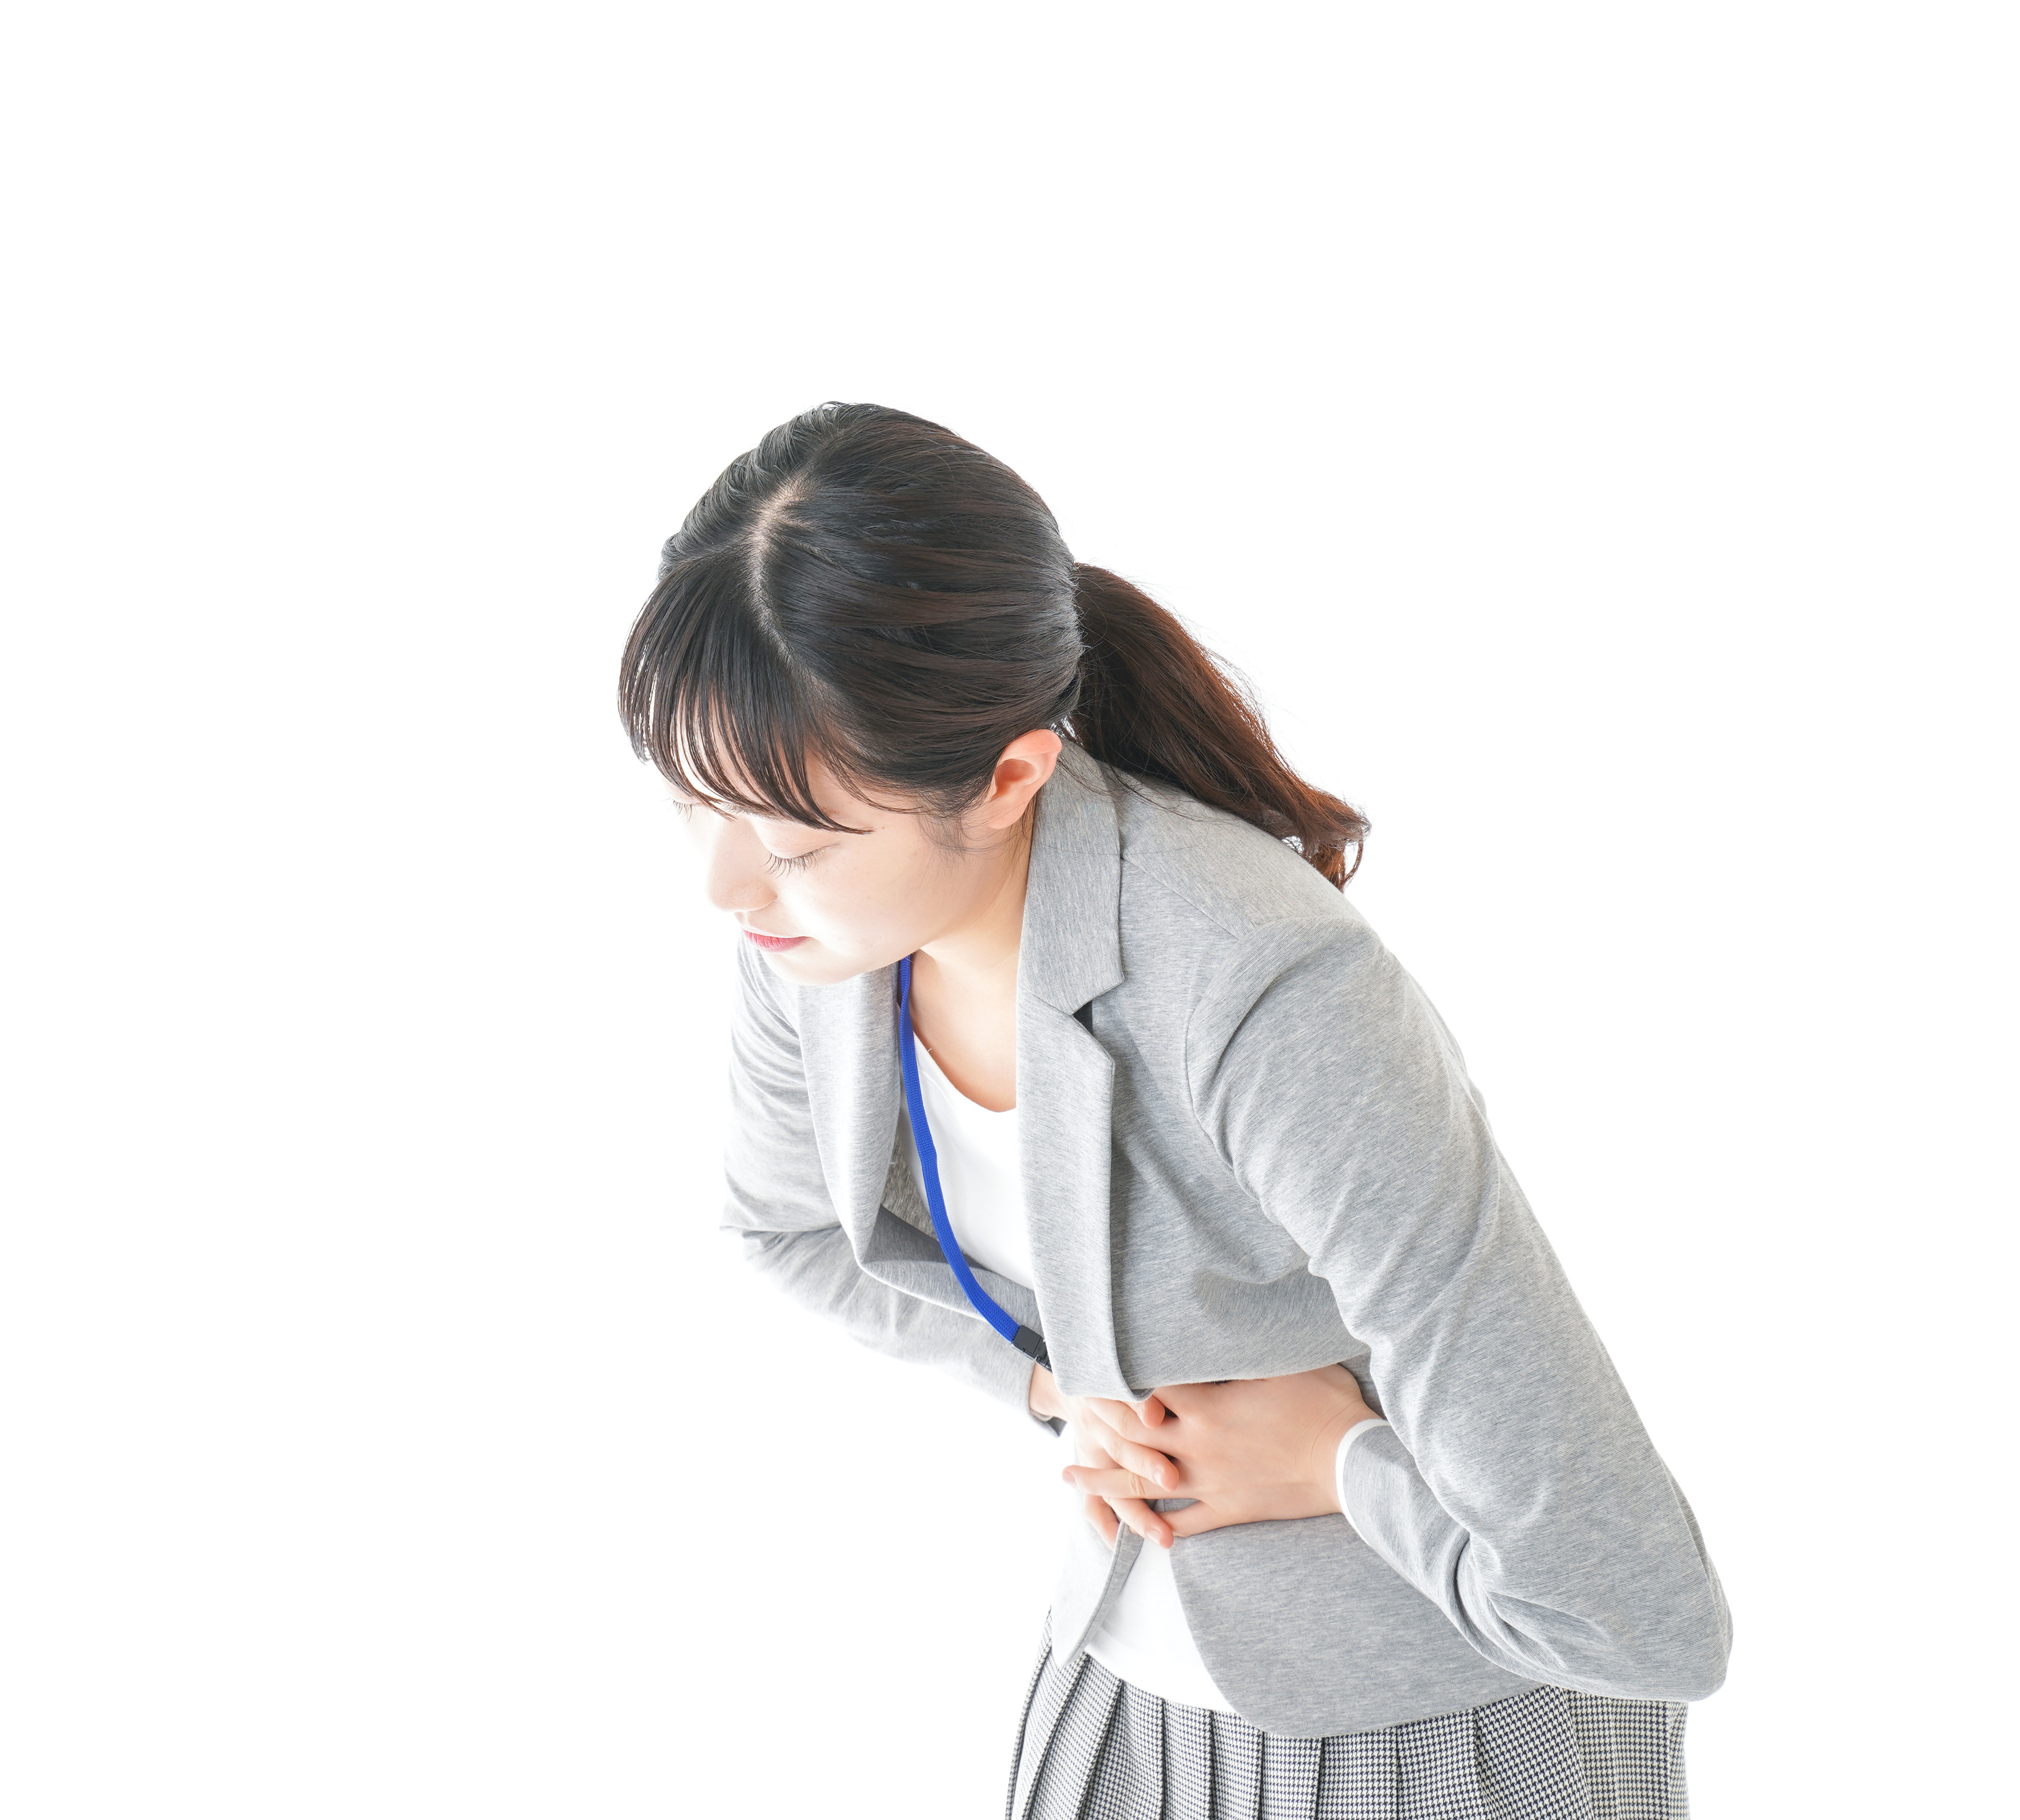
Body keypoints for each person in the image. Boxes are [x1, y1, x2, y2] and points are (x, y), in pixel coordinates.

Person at [616, 403, 1729, 1819]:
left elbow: (1636, 1613)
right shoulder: (820, 941)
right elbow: (786, 1231)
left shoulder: (1259, 982)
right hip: (1121, 1679)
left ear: (1008, 777)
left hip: (1429, 1719)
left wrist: (1334, 1459)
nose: (722, 884)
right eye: (691, 804)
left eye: (791, 839)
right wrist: (1055, 1388)